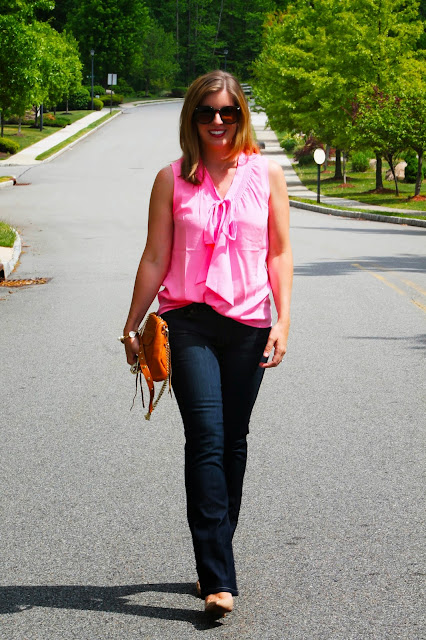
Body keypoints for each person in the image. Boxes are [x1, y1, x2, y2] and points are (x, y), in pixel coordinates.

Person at [121, 70, 293, 618]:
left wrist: (284, 320)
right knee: (207, 438)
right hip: (187, 320)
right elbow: (155, 256)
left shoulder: (267, 174)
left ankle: (214, 554)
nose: (218, 121)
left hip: (249, 322)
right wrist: (132, 324)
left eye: (228, 112)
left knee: (234, 440)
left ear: (241, 115)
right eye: (206, 112)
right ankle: (219, 577)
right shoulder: (171, 179)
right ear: (191, 118)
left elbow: (279, 253)